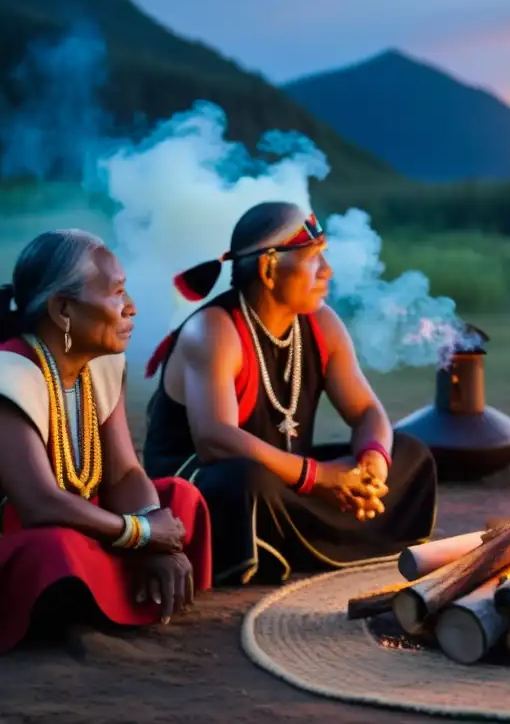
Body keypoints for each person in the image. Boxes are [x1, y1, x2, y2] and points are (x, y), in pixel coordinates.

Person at [143, 201, 437, 586]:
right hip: (214, 482)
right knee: (248, 483)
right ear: (268, 268)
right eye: (315, 258)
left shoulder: (321, 322)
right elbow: (215, 439)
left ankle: (311, 535)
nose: (327, 271)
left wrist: (370, 467)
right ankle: (304, 541)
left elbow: (367, 411)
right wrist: (321, 479)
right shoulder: (213, 330)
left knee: (410, 452)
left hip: (289, 480)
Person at [0, 230, 212, 653]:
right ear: (62, 309)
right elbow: (39, 503)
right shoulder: (10, 373)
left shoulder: (102, 364)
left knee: (180, 496)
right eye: (117, 293)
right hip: (24, 535)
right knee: (55, 550)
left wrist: (156, 532)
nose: (131, 306)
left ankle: (118, 588)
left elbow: (124, 471)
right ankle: (103, 597)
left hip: (89, 524)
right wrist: (140, 534)